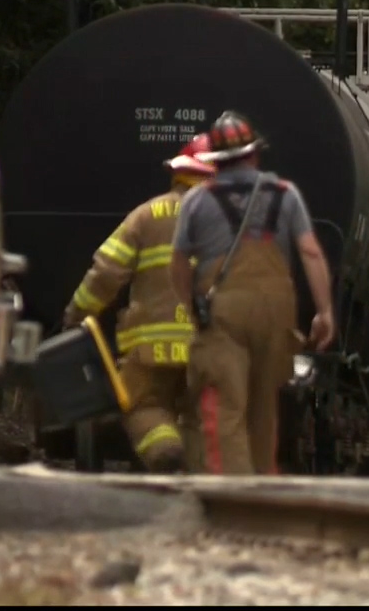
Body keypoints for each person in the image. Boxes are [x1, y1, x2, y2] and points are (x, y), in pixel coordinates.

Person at [170, 110, 335, 475]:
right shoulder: (285, 194)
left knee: (225, 406)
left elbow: (179, 265)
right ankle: (263, 493)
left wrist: (193, 306)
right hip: (276, 313)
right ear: (254, 154)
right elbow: (310, 251)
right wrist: (324, 312)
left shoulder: (197, 201)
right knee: (264, 408)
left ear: (217, 161)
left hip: (224, 311)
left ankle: (235, 497)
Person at [62, 134, 217, 473]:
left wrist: (77, 316)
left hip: (150, 348)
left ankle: (166, 453)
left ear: (179, 174)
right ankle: (202, 471)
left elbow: (106, 273)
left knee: (143, 405)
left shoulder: (147, 216)